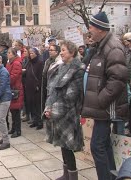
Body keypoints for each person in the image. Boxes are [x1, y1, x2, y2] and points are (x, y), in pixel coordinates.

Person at [81, 12, 128, 180]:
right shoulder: (101, 45)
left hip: (107, 107)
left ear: (100, 28)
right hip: (102, 107)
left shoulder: (113, 47)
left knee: (97, 146)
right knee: (105, 145)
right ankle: (112, 176)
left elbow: (118, 79)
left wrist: (101, 99)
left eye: (91, 26)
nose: (89, 30)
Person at [44, 40, 85, 180]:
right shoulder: (62, 67)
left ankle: (73, 176)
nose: (61, 53)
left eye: (63, 50)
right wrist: (48, 107)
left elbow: (71, 96)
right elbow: (52, 90)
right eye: (60, 50)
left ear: (72, 52)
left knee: (68, 147)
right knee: (62, 145)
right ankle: (66, 174)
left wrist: (53, 110)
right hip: (58, 113)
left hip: (69, 114)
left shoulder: (78, 69)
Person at [6, 48, 23, 138]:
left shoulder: (16, 63)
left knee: (16, 111)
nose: (8, 54)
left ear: (14, 54)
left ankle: (18, 130)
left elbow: (13, 77)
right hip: (10, 89)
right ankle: (13, 128)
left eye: (9, 53)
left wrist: (5, 81)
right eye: (8, 53)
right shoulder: (9, 63)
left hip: (15, 89)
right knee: (12, 110)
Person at [25, 48, 43, 130]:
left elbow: (40, 75)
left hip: (36, 87)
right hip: (29, 86)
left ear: (36, 53)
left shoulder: (40, 62)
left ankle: (40, 122)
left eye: (32, 53)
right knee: (31, 104)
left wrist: (38, 85)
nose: (30, 55)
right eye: (30, 53)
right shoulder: (29, 62)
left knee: (37, 105)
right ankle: (34, 120)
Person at [41, 45, 62, 117]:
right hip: (47, 86)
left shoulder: (59, 62)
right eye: (49, 50)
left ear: (57, 52)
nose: (49, 51)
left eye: (51, 50)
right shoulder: (48, 61)